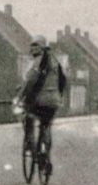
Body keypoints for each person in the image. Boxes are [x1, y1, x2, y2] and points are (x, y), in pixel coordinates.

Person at [15, 36, 67, 168]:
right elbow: (63, 80)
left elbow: (30, 81)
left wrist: (20, 97)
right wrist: (58, 96)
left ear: (37, 49)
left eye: (33, 47)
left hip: (40, 101)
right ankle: (47, 155)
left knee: (28, 116)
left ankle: (30, 144)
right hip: (54, 101)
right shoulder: (55, 61)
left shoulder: (38, 62)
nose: (32, 50)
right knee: (46, 125)